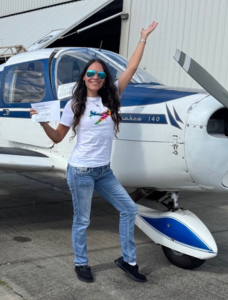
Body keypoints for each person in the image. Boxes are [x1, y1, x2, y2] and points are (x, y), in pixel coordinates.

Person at [30, 21, 158, 283]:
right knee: (83, 220)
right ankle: (81, 262)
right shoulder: (75, 105)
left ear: (105, 79)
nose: (96, 78)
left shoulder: (113, 97)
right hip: (81, 172)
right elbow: (57, 136)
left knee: (129, 210)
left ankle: (128, 260)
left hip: (104, 171)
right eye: (91, 74)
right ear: (84, 77)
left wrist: (143, 38)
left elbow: (131, 68)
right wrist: (43, 122)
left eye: (101, 75)